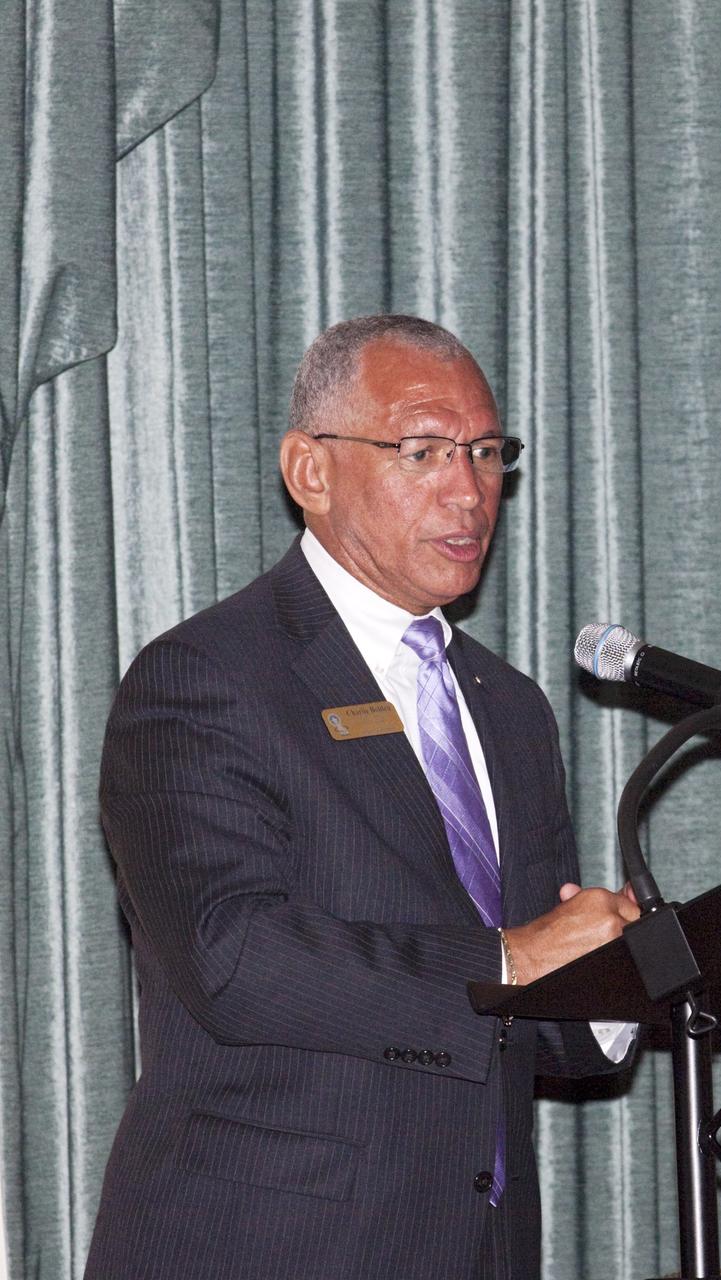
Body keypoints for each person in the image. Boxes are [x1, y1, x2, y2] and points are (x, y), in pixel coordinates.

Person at [85, 315, 639, 1280]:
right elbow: (232, 956)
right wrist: (509, 958)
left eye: (486, 453)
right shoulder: (207, 678)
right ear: (311, 471)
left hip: (479, 1245)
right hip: (268, 1245)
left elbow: (527, 1019)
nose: (469, 491)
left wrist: (616, 976)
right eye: (422, 451)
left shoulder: (509, 708)